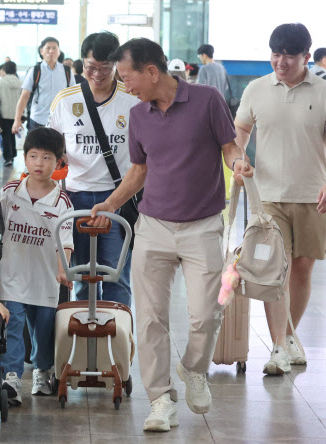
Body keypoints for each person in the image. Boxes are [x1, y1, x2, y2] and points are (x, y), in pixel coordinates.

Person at [90, 37, 253, 432]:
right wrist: (110, 204)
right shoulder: (138, 115)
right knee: (150, 319)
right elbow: (139, 171)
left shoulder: (207, 99)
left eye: (128, 77)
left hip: (203, 226)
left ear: (151, 71)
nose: (124, 85)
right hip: (154, 227)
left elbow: (229, 147)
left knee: (207, 313)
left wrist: (239, 163)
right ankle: (160, 399)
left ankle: (194, 368)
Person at [234, 23, 326, 375]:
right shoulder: (256, 89)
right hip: (268, 197)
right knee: (273, 273)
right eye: (275, 54)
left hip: (313, 195)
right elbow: (240, 130)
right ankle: (279, 346)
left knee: (301, 269)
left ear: (306, 57)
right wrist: (240, 157)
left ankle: (289, 335)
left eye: (289, 56)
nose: (280, 62)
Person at [47, 31, 139, 306]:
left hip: (117, 198)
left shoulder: (132, 100)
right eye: (91, 67)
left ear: (116, 66)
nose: (97, 74)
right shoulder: (65, 100)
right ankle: (85, 329)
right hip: (75, 198)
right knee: (81, 276)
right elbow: (50, 145)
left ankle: (117, 330)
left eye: (105, 68)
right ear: (81, 64)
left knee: (116, 276)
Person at [0, 127, 74, 405]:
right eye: (33, 156)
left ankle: (43, 370)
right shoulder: (9, 192)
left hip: (45, 279)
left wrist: (63, 270)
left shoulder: (62, 201)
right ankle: (11, 377)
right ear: (25, 158)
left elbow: (65, 242)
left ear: (58, 162)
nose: (39, 163)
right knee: (13, 324)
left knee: (43, 330)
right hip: (12, 276)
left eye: (46, 157)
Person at [12, 37, 75, 134]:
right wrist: (17, 120)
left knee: (58, 145)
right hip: (37, 120)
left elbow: (73, 96)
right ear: (41, 51)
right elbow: (24, 96)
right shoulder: (35, 71)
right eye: (48, 48)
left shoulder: (67, 72)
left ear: (59, 51)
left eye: (54, 48)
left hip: (60, 121)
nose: (51, 51)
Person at [0, 61, 22, 166]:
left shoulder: (1, 82)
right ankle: (13, 154)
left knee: (6, 136)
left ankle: (8, 157)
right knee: (13, 135)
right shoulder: (20, 82)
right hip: (16, 114)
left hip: (4, 114)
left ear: (4, 70)